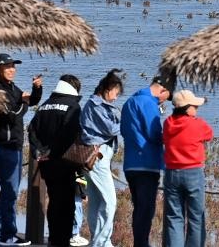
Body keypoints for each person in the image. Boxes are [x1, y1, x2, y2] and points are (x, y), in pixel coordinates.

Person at [0, 53, 42, 246]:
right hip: (5, 146)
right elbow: (13, 115)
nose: (11, 69)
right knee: (11, 193)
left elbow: (30, 101)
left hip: (13, 146)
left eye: (13, 66)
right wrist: (24, 102)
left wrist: (36, 89)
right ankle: (8, 236)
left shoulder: (10, 88)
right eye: (7, 66)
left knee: (10, 190)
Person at [28, 74, 83, 247]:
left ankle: (53, 238)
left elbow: (31, 130)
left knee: (53, 201)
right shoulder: (73, 106)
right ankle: (62, 241)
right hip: (64, 163)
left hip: (46, 164)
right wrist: (52, 152)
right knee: (67, 205)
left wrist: (39, 151)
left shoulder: (44, 106)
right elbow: (69, 135)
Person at [121, 75, 172, 247]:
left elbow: (123, 129)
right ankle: (142, 244)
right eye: (168, 96)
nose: (166, 101)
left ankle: (140, 242)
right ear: (162, 89)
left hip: (130, 163)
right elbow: (155, 133)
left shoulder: (130, 101)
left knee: (139, 208)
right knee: (146, 209)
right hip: (147, 163)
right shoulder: (149, 103)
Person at [161, 89, 214, 247]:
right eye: (194, 106)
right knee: (196, 217)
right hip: (193, 173)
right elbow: (209, 134)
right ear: (187, 108)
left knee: (174, 217)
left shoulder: (168, 123)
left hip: (171, 173)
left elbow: (164, 138)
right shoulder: (197, 124)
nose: (196, 108)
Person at [80, 70, 123, 247]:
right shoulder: (96, 106)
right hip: (97, 158)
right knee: (110, 201)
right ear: (108, 89)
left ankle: (98, 241)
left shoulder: (93, 104)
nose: (116, 98)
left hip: (94, 158)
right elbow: (110, 129)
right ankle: (102, 242)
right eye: (116, 93)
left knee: (96, 201)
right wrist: (126, 119)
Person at [71, 176, 89, 247]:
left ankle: (74, 235)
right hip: (75, 191)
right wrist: (83, 194)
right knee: (76, 214)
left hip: (76, 191)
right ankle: (74, 235)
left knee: (77, 213)